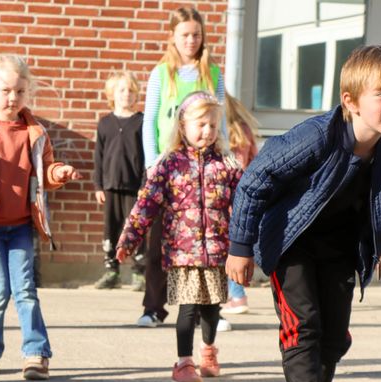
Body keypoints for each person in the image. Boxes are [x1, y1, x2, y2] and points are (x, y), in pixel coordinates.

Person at [226, 45, 381, 382]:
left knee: (335, 338)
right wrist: (240, 247)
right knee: (304, 327)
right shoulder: (318, 135)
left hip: (341, 250)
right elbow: (255, 180)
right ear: (350, 101)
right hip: (290, 242)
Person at [0, 55, 81, 380]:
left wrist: (60, 173)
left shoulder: (34, 132)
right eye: (5, 90)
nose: (12, 98)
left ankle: (36, 353)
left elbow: (46, 170)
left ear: (28, 93)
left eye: (20, 91)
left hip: (22, 225)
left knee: (25, 289)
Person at [117, 91, 242, 382]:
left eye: (213, 125)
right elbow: (146, 205)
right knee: (187, 308)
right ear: (183, 125)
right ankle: (183, 362)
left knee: (212, 309)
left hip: (217, 251)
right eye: (200, 124)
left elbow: (246, 205)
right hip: (182, 254)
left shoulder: (227, 165)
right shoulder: (169, 164)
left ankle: (208, 351)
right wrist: (128, 239)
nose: (207, 131)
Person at [140, 6, 230, 331]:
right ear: (173, 37)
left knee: (208, 239)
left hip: (204, 167)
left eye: (196, 34)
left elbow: (223, 120)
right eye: (185, 35)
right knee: (159, 240)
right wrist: (152, 162)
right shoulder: (161, 73)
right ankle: (153, 306)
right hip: (169, 167)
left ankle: (211, 310)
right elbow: (149, 120)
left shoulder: (213, 73)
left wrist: (226, 156)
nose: (191, 40)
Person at [92, 71, 145, 291]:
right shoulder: (105, 123)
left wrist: (144, 185)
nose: (126, 95)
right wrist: (98, 185)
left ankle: (139, 273)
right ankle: (111, 271)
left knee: (134, 228)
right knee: (111, 229)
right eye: (121, 90)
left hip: (134, 186)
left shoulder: (141, 122)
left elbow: (145, 156)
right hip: (111, 185)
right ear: (112, 94)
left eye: (131, 91)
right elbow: (98, 157)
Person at [220, 93, 259, 316]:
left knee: (229, 250)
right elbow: (254, 160)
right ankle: (238, 293)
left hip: (228, 198)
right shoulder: (243, 130)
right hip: (244, 196)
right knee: (236, 247)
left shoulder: (223, 134)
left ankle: (237, 295)